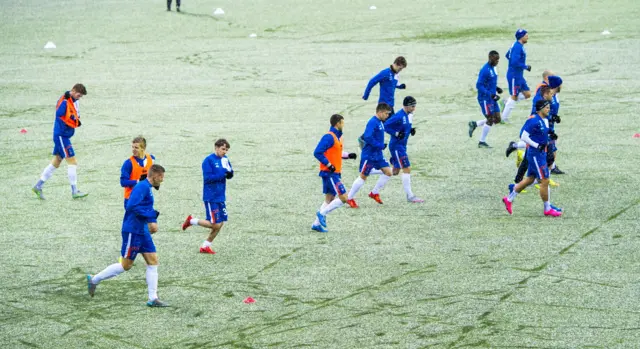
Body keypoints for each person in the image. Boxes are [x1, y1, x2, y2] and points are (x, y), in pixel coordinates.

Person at [87, 164, 168, 307]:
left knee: (153, 261)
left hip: (142, 230)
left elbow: (146, 207)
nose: (162, 180)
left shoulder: (147, 188)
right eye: (161, 177)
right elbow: (131, 206)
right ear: (155, 176)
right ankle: (94, 280)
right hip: (133, 231)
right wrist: (150, 215)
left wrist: (151, 220)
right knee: (126, 265)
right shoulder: (142, 187)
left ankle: (153, 298)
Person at [502, 100, 562, 217]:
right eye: (547, 107)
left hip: (540, 153)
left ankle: (509, 199)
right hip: (536, 154)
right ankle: (547, 208)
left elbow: (541, 133)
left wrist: (550, 135)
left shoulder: (543, 120)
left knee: (530, 179)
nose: (549, 109)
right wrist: (536, 145)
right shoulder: (533, 120)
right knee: (544, 180)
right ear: (540, 109)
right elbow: (523, 135)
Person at [32, 84, 89, 200]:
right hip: (61, 137)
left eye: (81, 96)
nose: (79, 98)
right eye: (78, 95)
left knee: (57, 161)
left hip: (63, 136)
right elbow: (59, 113)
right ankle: (74, 191)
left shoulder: (73, 100)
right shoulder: (65, 101)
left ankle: (38, 186)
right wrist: (72, 117)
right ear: (73, 91)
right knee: (72, 162)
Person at [181, 139, 233, 254]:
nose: (225, 152)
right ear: (216, 147)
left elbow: (229, 174)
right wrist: (223, 173)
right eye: (223, 149)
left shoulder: (225, 159)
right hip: (211, 196)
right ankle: (192, 221)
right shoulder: (208, 161)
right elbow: (208, 178)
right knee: (215, 223)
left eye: (226, 150)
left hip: (220, 196)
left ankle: (206, 245)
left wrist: (229, 174)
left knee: (221, 222)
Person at [311, 114, 358, 232]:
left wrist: (348, 155)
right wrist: (329, 165)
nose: (343, 125)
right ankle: (322, 214)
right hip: (329, 173)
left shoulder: (339, 138)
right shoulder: (329, 137)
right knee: (344, 198)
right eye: (342, 122)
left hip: (335, 173)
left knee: (329, 199)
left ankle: (316, 224)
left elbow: (337, 153)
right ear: (337, 123)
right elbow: (317, 152)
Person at [346, 103, 393, 208]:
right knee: (363, 177)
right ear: (380, 112)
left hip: (378, 155)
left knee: (388, 172)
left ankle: (374, 193)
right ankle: (349, 198)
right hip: (369, 155)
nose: (387, 116)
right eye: (386, 113)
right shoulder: (372, 122)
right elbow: (367, 137)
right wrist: (379, 145)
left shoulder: (380, 122)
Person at [359, 56, 407, 149]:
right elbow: (372, 81)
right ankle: (364, 138)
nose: (400, 70)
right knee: (387, 124)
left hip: (390, 105)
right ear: (396, 64)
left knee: (385, 124)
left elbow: (392, 84)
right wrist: (366, 95)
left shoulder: (395, 75)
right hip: (384, 105)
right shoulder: (385, 73)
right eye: (400, 68)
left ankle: (365, 138)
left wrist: (401, 86)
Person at [383, 96, 424, 203]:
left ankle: (374, 189)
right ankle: (410, 196)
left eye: (415, 106)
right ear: (406, 106)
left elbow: (404, 126)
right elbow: (386, 126)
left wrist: (410, 130)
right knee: (407, 168)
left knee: (395, 171)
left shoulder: (409, 115)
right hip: (397, 147)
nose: (414, 108)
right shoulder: (399, 116)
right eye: (412, 106)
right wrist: (396, 133)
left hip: (402, 146)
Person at [468, 51, 504, 148]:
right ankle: (481, 142)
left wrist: (497, 88)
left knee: (497, 119)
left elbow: (490, 82)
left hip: (492, 97)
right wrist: (491, 94)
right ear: (490, 58)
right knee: (490, 119)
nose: (497, 61)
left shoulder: (494, 68)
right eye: (495, 59)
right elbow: (479, 85)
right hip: (485, 98)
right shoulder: (485, 70)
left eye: (498, 59)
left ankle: (475, 124)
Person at [501, 29, 532, 123]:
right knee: (514, 95)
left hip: (519, 75)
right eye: (526, 35)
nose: (528, 37)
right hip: (514, 75)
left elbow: (507, 55)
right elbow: (514, 62)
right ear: (521, 37)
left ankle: (506, 102)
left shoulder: (516, 45)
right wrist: (525, 66)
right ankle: (503, 118)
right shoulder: (518, 47)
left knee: (527, 94)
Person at [121, 136, 156, 208]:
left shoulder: (152, 159)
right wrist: (138, 181)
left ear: (143, 148)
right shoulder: (128, 163)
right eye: (132, 147)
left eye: (136, 148)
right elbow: (123, 182)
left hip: (146, 198)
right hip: (131, 199)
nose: (133, 150)